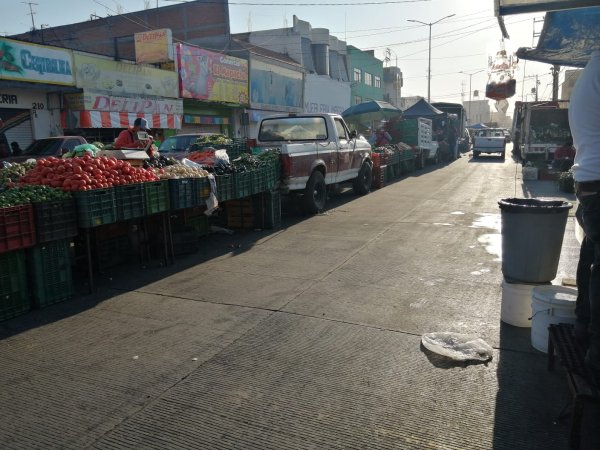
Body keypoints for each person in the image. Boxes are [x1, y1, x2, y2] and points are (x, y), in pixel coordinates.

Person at [570, 49, 600, 383]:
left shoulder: (592, 71)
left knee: (592, 256)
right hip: (597, 185)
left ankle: (584, 327)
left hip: (590, 184)